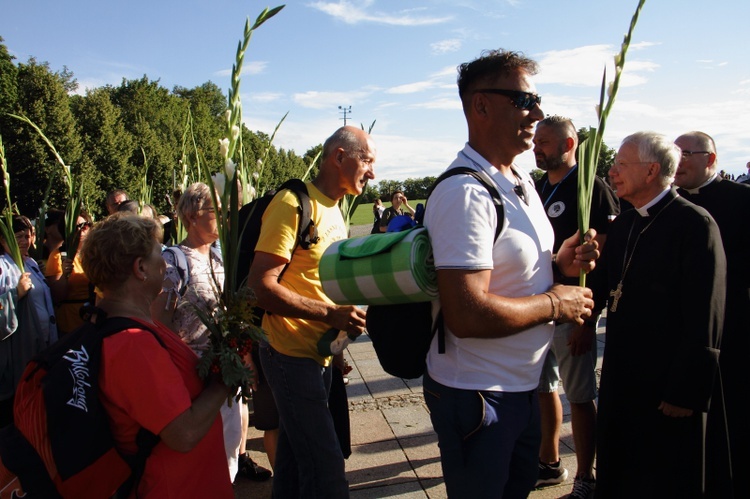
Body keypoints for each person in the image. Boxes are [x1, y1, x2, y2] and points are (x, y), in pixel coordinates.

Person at [422, 49, 597, 499]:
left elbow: (517, 272)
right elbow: (467, 314)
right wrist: (558, 303)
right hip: (478, 395)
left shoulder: (518, 181)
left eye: (536, 101)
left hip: (521, 387)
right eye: (524, 101)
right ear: (481, 105)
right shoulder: (465, 192)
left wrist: (562, 264)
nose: (537, 113)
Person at [248, 125, 376, 498]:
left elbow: (317, 281)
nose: (372, 172)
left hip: (319, 355)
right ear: (339, 157)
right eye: (366, 160)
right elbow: (260, 287)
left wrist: (335, 346)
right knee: (326, 468)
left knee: (291, 461)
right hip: (288, 354)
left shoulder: (335, 210)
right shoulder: (292, 203)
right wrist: (330, 316)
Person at [596, 131, 725, 498]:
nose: (613, 171)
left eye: (621, 164)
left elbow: (706, 313)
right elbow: (603, 288)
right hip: (623, 376)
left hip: (668, 384)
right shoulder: (624, 224)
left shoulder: (695, 225)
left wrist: (686, 390)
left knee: (664, 477)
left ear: (651, 170)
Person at [79, 213, 234, 497]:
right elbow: (183, 433)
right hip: (174, 487)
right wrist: (225, 381)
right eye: (158, 255)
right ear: (140, 268)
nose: (165, 264)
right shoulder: (130, 343)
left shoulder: (127, 325)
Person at [149, 181, 271, 483]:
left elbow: (234, 315)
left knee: (227, 457)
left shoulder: (222, 259)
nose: (227, 218)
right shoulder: (173, 261)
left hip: (223, 376)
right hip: (190, 382)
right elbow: (158, 325)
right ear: (191, 216)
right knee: (197, 465)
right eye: (216, 211)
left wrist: (244, 357)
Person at [532, 115, 619, 498]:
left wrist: (589, 319)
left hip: (574, 314)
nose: (536, 147)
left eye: (544, 142)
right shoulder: (535, 189)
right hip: (538, 309)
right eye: (535, 141)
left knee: (581, 397)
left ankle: (586, 476)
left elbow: (605, 258)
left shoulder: (592, 189)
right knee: (542, 388)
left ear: (569, 145)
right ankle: (549, 463)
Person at [673, 131, 749, 498]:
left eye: (688, 153)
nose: (680, 160)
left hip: (731, 326)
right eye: (675, 153)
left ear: (712, 159)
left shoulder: (741, 200)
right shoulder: (669, 205)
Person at [0, 215, 58, 427]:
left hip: (42, 347)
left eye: (28, 235)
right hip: (18, 353)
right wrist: (15, 294)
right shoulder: (2, 267)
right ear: (3, 239)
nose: (25, 241)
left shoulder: (31, 264)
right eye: (18, 237)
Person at [44, 209, 94, 335]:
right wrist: (65, 276)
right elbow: (57, 295)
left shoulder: (97, 254)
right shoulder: (58, 256)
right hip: (70, 322)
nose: (80, 230)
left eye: (84, 226)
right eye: (74, 227)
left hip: (94, 318)